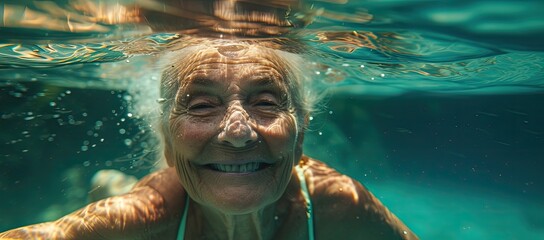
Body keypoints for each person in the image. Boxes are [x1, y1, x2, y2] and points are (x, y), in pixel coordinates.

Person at [0, 39, 417, 239]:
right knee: (116, 194)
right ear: (166, 138)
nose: (238, 133)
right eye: (201, 105)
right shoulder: (145, 216)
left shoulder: (338, 204)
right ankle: (110, 184)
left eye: (267, 102)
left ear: (301, 131)